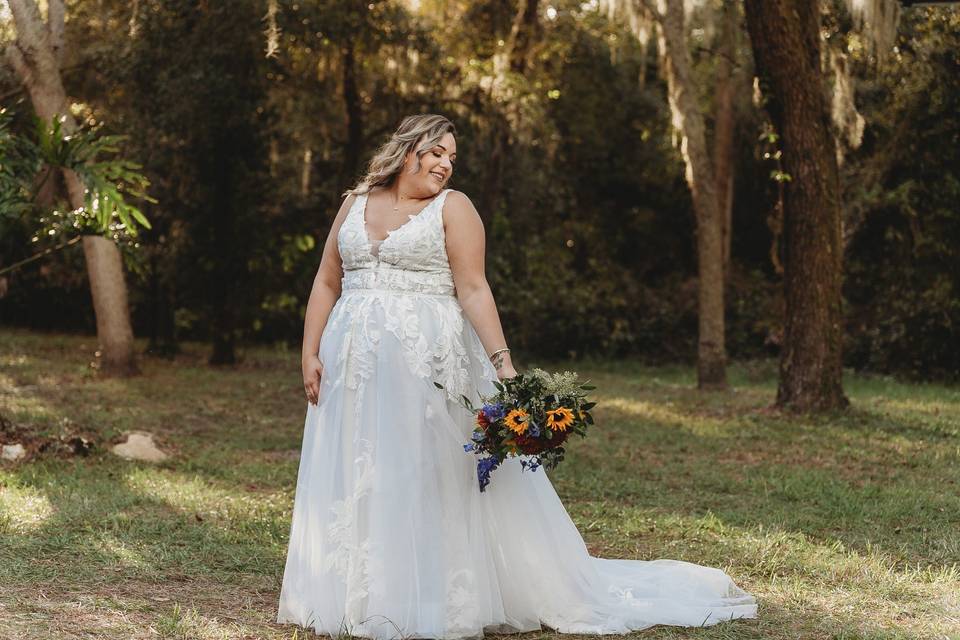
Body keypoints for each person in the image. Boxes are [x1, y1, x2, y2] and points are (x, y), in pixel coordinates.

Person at [276, 114, 757, 639]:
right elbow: (327, 280)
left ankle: (424, 592)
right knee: (358, 465)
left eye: (451, 157)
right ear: (407, 149)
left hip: (428, 366)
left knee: (423, 470)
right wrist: (309, 350)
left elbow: (475, 289)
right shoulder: (354, 201)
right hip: (351, 365)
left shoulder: (453, 208)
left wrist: (503, 364)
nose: (444, 164)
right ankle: (349, 591)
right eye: (436, 152)